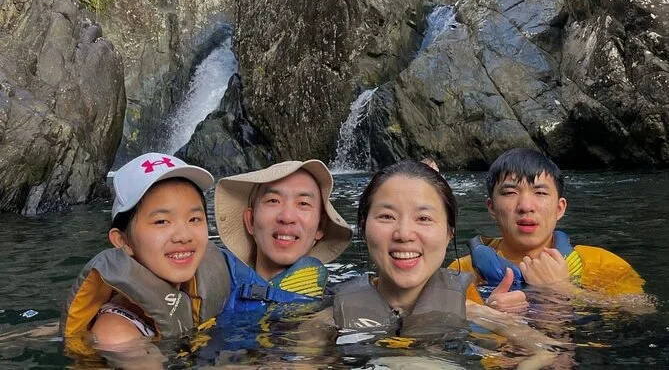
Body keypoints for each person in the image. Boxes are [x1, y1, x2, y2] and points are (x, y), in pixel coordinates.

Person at [301, 160, 563, 366]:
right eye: (387, 216)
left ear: (449, 233)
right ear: (363, 227)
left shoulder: (476, 314)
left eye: (424, 218)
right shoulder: (325, 322)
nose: (404, 234)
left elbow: (549, 351)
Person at [60, 153, 231, 348]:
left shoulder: (194, 284)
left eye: (194, 219)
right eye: (161, 221)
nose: (184, 235)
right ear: (123, 241)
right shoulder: (118, 335)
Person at [449, 148, 647, 311]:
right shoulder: (461, 272)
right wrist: (489, 317)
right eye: (510, 192)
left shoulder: (602, 263)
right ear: (491, 208)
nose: (526, 206)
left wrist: (562, 290)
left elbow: (641, 312)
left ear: (560, 208)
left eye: (540, 192)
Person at [214, 160, 353, 312]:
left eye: (303, 203)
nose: (287, 217)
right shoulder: (211, 297)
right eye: (273, 200)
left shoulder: (338, 309)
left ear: (320, 226)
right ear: (251, 221)